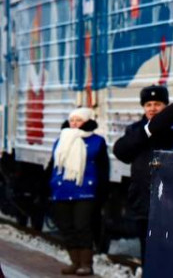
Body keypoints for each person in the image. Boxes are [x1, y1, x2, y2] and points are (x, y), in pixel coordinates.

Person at [112, 85, 173, 259]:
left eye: (157, 104)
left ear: (165, 106)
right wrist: (146, 132)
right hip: (142, 198)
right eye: (148, 104)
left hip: (168, 197)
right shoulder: (135, 130)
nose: (152, 108)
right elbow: (122, 153)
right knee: (146, 246)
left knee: (167, 247)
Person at [48, 107, 109, 276]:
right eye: (72, 120)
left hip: (86, 190)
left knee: (82, 226)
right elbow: (52, 165)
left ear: (87, 121)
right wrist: (46, 186)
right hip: (61, 189)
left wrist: (103, 192)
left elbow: (104, 168)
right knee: (66, 226)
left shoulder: (97, 141)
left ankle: (86, 264)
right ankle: (74, 262)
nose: (74, 123)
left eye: (79, 120)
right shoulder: (61, 139)